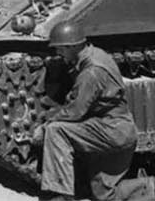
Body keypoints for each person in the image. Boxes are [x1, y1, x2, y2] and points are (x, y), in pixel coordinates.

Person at [35, 22, 136, 201]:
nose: (58, 54)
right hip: (117, 127)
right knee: (102, 194)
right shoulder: (95, 53)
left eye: (61, 49)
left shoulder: (92, 72)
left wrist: (45, 125)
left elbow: (75, 111)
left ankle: (61, 194)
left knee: (56, 130)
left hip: (111, 129)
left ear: (73, 46)